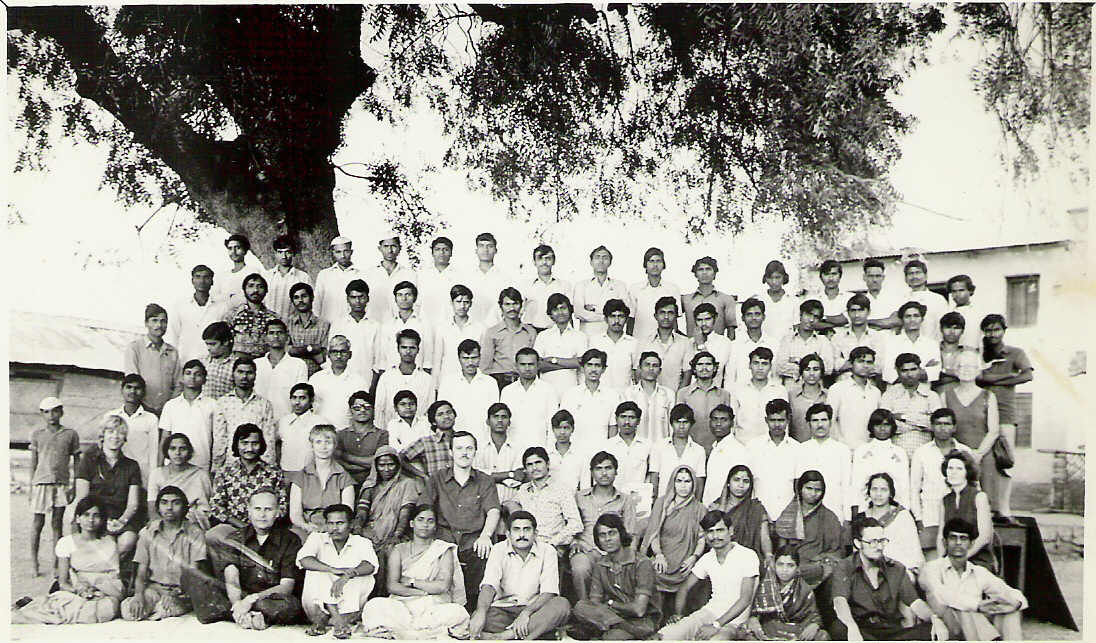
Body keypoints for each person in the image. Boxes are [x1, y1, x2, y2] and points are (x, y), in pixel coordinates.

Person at [359, 504, 471, 639]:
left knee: (458, 612)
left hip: (432, 605)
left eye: (430, 521)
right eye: (420, 520)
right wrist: (422, 592)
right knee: (374, 605)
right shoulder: (399, 550)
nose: (425, 525)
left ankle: (402, 633)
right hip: (402, 605)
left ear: (435, 526)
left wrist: (411, 581)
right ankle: (424, 633)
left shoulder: (443, 550)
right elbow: (392, 586)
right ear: (412, 523)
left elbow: (443, 586)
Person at [198, 488, 305, 629]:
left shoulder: (290, 540)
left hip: (269, 599)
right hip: (241, 596)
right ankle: (248, 616)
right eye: (257, 509)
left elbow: (286, 586)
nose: (262, 515)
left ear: (277, 512)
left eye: (268, 509)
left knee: (290, 606)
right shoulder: (235, 538)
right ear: (249, 510)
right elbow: (232, 579)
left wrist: (251, 601)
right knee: (199, 586)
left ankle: (241, 615)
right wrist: (237, 604)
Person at [830, 517, 947, 641]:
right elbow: (839, 602)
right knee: (839, 628)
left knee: (932, 629)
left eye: (882, 541)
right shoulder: (845, 567)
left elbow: (915, 603)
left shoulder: (896, 568)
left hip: (891, 632)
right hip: (861, 631)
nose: (879, 547)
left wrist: (934, 619)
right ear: (858, 543)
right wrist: (851, 627)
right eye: (873, 542)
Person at [421, 431, 502, 611]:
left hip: (474, 541)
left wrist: (485, 536)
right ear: (451, 452)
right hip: (443, 540)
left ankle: (475, 613)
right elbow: (425, 508)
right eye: (459, 448)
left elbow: (493, 510)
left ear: (475, 452)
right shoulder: (437, 479)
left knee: (484, 559)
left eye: (469, 448)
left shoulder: (485, 480)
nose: (464, 453)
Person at [13, 497, 123, 624]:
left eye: (96, 515)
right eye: (86, 515)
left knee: (107, 608)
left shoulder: (109, 543)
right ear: (77, 518)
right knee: (62, 604)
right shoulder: (67, 543)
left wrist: (99, 589)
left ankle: (68, 614)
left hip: (105, 593)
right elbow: (63, 583)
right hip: (77, 591)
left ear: (102, 519)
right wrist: (80, 590)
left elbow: (115, 578)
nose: (91, 520)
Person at [468, 510, 572, 639]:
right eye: (516, 530)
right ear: (508, 534)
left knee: (561, 605)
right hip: (503, 611)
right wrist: (481, 613)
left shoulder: (548, 551)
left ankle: (504, 636)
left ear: (535, 533)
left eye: (527, 529)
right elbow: (489, 585)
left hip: (535, 610)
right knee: (480, 617)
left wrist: (526, 613)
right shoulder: (498, 549)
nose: (522, 535)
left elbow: (549, 591)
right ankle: (535, 632)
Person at [658, 509, 760, 641]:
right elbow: (684, 588)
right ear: (705, 535)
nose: (715, 536)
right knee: (666, 635)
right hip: (709, 613)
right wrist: (678, 614)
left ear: (730, 531)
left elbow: (745, 599)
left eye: (720, 530)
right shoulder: (708, 558)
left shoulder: (747, 555)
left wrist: (716, 625)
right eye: (710, 531)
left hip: (735, 622)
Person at [921, 517, 1027, 641]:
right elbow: (941, 595)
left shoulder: (978, 572)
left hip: (976, 627)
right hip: (945, 626)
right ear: (945, 542)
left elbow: (1012, 592)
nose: (958, 543)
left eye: (963, 538)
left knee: (1011, 612)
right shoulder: (932, 568)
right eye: (953, 538)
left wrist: (1015, 603)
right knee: (964, 610)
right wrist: (977, 605)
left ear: (971, 544)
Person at [121, 486, 207, 620]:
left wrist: (175, 595)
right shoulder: (148, 533)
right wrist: (138, 596)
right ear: (158, 507)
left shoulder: (195, 533)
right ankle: (156, 608)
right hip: (155, 588)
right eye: (164, 503)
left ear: (184, 507)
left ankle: (167, 609)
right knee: (130, 611)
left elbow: (194, 574)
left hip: (182, 592)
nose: (169, 508)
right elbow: (141, 572)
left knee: (165, 609)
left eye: (176, 503)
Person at [569, 513, 660, 640]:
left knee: (611, 638)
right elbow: (595, 603)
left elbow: (639, 610)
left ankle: (603, 629)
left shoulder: (641, 563)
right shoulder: (600, 564)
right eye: (602, 535)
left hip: (642, 620)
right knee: (580, 606)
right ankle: (622, 628)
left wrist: (611, 604)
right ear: (598, 540)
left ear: (621, 534)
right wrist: (608, 610)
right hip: (614, 617)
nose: (607, 539)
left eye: (612, 533)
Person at [977, 313, 1032, 523]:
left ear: (1004, 330)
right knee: (981, 460)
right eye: (988, 330)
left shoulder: (1015, 353)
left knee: (1005, 461)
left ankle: (1004, 510)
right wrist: (1008, 377)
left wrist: (993, 380)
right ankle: (984, 509)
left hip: (1004, 414)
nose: (993, 334)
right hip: (979, 413)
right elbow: (977, 377)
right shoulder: (979, 355)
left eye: (996, 329)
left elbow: (1027, 375)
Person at [296, 503, 378, 638]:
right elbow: (304, 560)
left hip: (349, 609)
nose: (334, 528)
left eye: (340, 523)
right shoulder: (317, 538)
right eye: (330, 523)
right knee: (317, 571)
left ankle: (330, 620)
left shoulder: (362, 542)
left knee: (364, 576)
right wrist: (333, 570)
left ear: (351, 524)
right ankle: (338, 621)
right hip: (316, 608)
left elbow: (370, 565)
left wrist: (347, 575)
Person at [206, 424, 289, 557]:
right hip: (234, 527)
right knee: (212, 536)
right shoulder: (225, 472)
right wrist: (242, 527)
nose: (249, 448)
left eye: (254, 443)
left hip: (266, 527)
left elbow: (282, 506)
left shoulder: (273, 472)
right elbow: (216, 506)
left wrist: (261, 525)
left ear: (261, 445)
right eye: (244, 443)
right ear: (236, 445)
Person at [571, 451, 640, 601]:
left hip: (614, 552)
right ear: (592, 473)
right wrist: (574, 542)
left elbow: (631, 534)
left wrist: (628, 557)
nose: (604, 473)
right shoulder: (579, 497)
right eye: (599, 468)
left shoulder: (625, 500)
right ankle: (585, 606)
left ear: (616, 472)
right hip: (586, 550)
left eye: (608, 468)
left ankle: (612, 608)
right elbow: (570, 525)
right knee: (580, 567)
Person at [71, 414, 144, 557]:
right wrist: (98, 520)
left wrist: (121, 521)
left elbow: (133, 504)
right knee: (104, 542)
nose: (115, 436)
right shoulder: (89, 460)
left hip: (120, 517)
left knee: (128, 540)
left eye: (120, 433)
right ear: (103, 435)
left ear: (125, 438)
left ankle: (106, 565)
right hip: (95, 516)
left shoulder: (132, 465)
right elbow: (82, 498)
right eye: (110, 431)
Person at [639, 464, 707, 614]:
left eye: (687, 481)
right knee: (651, 574)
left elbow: (701, 538)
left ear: (693, 484)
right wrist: (659, 555)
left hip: (685, 562)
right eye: (679, 481)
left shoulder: (700, 509)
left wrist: (694, 558)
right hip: (663, 559)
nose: (683, 486)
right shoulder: (662, 504)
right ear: (673, 482)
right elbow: (654, 534)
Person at [944, 349, 1004, 518]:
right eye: (961, 366)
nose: (966, 370)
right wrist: (960, 455)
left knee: (983, 507)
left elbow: (994, 431)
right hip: (955, 456)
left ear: (978, 370)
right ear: (956, 370)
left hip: (982, 455)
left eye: (971, 366)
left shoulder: (988, 396)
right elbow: (943, 428)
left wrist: (978, 454)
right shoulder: (945, 396)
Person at [29, 396, 81, 578]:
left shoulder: (70, 434)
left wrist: (74, 484)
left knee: (57, 524)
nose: (51, 416)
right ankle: (34, 563)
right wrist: (31, 486)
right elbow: (33, 462)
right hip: (41, 483)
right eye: (46, 412)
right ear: (42, 414)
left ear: (61, 412)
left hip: (61, 484)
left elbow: (77, 460)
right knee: (38, 523)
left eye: (55, 411)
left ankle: (56, 565)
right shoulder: (37, 434)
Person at [910, 409, 975, 550]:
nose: (942, 427)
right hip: (930, 517)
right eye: (938, 424)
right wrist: (918, 518)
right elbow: (914, 489)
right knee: (932, 558)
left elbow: (974, 486)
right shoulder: (921, 452)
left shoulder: (965, 451)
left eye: (947, 424)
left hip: (960, 516)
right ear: (932, 427)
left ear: (954, 427)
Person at [772, 470, 845, 588]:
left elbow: (836, 552)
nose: (813, 493)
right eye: (809, 488)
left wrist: (820, 560)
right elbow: (782, 549)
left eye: (817, 490)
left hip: (815, 566)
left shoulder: (829, 517)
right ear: (800, 489)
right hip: (790, 563)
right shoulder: (789, 514)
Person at [744, 546, 828, 641]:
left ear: (797, 568)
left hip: (797, 630)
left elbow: (814, 615)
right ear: (774, 565)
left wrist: (814, 625)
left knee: (822, 636)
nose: (784, 569)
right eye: (780, 564)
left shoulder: (804, 590)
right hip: (769, 630)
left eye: (790, 565)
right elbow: (755, 612)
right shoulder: (765, 586)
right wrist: (753, 619)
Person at [288, 425, 356, 541]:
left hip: (335, 528)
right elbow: (295, 514)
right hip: (306, 528)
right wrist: (306, 526)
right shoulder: (301, 476)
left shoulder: (344, 477)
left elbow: (347, 512)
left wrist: (329, 528)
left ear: (335, 445)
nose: (323, 447)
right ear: (312, 445)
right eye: (318, 442)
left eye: (328, 442)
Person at [509, 446, 584, 552]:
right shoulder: (523, 490)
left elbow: (576, 524)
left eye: (538, 462)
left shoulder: (562, 489)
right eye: (529, 464)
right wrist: (512, 507)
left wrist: (554, 543)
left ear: (548, 464)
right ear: (525, 469)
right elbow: (509, 503)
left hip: (553, 546)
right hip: (526, 545)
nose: (534, 468)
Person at [353, 446, 422, 557]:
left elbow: (405, 514)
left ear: (398, 465)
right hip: (370, 532)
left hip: (396, 534)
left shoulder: (407, 484)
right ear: (375, 466)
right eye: (382, 465)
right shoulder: (370, 485)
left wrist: (396, 535)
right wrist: (357, 528)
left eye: (391, 464)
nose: (386, 469)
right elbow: (362, 512)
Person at [211, 357, 277, 472]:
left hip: (258, 465)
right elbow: (220, 438)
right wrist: (217, 467)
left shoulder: (264, 404)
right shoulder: (223, 403)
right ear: (233, 374)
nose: (244, 377)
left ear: (255, 375)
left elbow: (269, 437)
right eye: (240, 372)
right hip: (231, 464)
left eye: (249, 373)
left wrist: (268, 467)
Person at [855, 473, 924, 581]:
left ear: (891, 493)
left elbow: (913, 552)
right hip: (869, 571)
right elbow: (858, 551)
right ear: (868, 492)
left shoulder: (903, 516)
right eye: (874, 489)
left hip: (899, 569)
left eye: (883, 490)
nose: (878, 494)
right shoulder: (862, 518)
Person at [937, 449, 996, 572]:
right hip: (951, 560)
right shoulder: (945, 500)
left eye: (959, 469)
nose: (953, 472)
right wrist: (941, 562)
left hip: (978, 559)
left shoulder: (979, 497)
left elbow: (984, 537)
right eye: (950, 468)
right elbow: (941, 537)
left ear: (967, 472)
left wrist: (961, 559)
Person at [746, 399, 803, 520]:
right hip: (758, 513)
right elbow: (747, 482)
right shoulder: (753, 446)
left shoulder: (797, 448)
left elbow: (798, 486)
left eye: (781, 420)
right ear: (766, 420)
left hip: (788, 515)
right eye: (773, 420)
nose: (777, 425)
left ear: (788, 420)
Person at [796, 403, 853, 521]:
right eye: (815, 420)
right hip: (807, 514)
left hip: (835, 511)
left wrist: (847, 518)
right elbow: (798, 486)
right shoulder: (800, 450)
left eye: (824, 420)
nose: (820, 425)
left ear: (830, 422)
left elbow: (847, 487)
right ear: (808, 424)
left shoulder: (842, 450)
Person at [437, 338, 499, 446]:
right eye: (465, 358)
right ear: (459, 359)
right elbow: (442, 414)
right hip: (455, 441)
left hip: (483, 440)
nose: (470, 362)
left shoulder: (490, 383)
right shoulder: (447, 382)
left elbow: (494, 415)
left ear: (480, 357)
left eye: (474, 358)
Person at [123, 302, 181, 414]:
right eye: (154, 320)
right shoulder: (135, 348)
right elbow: (132, 381)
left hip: (166, 411)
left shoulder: (172, 352)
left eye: (163, 321)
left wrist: (169, 408)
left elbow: (178, 384)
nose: (159, 325)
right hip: (141, 408)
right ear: (146, 323)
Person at [850, 409, 910, 516]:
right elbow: (856, 485)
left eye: (886, 425)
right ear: (871, 427)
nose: (882, 428)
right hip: (866, 508)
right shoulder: (861, 451)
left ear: (892, 427)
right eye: (878, 424)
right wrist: (856, 513)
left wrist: (904, 512)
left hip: (893, 511)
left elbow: (904, 487)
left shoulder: (900, 453)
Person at [882, 352, 942, 459]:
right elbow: (885, 425)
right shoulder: (889, 395)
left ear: (920, 369)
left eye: (913, 369)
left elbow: (936, 425)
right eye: (904, 370)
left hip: (925, 453)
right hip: (895, 454)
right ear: (897, 371)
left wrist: (903, 417)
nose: (909, 374)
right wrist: (921, 423)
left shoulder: (931, 396)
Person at [158, 359, 216, 471]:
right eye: (188, 373)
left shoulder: (212, 405)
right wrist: (160, 467)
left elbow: (216, 439)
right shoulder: (171, 405)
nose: (192, 377)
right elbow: (165, 438)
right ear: (182, 378)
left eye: (197, 374)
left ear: (204, 379)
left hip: (201, 464)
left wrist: (214, 468)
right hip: (174, 465)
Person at [148, 433, 213, 530]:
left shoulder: (200, 475)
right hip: (164, 522)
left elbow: (204, 508)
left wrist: (186, 520)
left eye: (182, 449)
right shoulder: (156, 474)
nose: (177, 453)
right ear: (166, 451)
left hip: (192, 522)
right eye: (173, 448)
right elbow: (152, 507)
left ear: (189, 451)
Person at [500, 347, 560, 450]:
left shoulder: (548, 390)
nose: (527, 368)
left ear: (538, 365)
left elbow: (553, 424)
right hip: (512, 449)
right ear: (516, 366)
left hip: (539, 448)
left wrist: (550, 449)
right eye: (523, 364)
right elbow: (503, 423)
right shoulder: (507, 391)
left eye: (531, 364)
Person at [708, 464, 772, 560]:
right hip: (721, 558)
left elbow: (765, 537)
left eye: (745, 481)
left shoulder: (756, 508)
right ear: (728, 483)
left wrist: (768, 555)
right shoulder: (716, 507)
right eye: (736, 480)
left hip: (748, 559)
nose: (741, 485)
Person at [375, 330, 436, 428]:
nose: (408, 352)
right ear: (398, 349)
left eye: (412, 348)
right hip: (391, 432)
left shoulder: (427, 379)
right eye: (404, 347)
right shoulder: (386, 378)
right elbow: (379, 410)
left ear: (418, 350)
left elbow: (430, 410)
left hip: (420, 432)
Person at [480, 287, 539, 391]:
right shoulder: (492, 332)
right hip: (499, 381)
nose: (512, 308)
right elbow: (485, 366)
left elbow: (535, 362)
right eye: (507, 304)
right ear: (500, 306)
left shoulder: (530, 332)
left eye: (515, 303)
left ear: (521, 305)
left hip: (524, 381)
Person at [168, 264, 229, 363]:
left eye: (206, 277)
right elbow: (173, 335)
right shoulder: (180, 306)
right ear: (192, 281)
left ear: (212, 281)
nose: (202, 281)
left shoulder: (222, 307)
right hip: (185, 360)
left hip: (212, 362)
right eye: (198, 277)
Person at [560, 348, 622, 444]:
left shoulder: (612, 395)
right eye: (589, 365)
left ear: (604, 369)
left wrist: (609, 449)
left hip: (602, 449)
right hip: (576, 449)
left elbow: (613, 427)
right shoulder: (570, 394)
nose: (593, 369)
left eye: (597, 365)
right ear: (582, 368)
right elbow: (563, 425)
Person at [309, 335, 371, 430]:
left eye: (343, 352)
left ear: (350, 355)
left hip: (347, 433)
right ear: (328, 355)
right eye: (334, 352)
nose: (338, 356)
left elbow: (362, 414)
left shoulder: (359, 381)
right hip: (320, 433)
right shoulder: (316, 379)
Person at [603, 404, 657, 513]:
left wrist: (651, 497)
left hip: (639, 501)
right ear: (616, 419)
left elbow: (653, 475)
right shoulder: (607, 446)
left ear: (638, 421)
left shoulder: (648, 445)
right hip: (613, 500)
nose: (627, 422)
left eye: (631, 417)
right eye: (623, 417)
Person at [254, 318, 310, 420]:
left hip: (286, 421)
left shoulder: (298, 365)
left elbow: (301, 397)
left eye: (279, 333)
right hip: (257, 421)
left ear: (287, 337)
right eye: (271, 333)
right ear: (265, 338)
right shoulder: (256, 364)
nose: (276, 336)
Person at [827, 346, 882, 450]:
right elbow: (830, 421)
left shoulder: (875, 392)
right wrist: (838, 446)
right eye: (860, 361)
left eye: (869, 362)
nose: (865, 365)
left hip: (870, 450)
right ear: (851, 364)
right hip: (844, 449)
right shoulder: (837, 389)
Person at [677, 351, 734, 451]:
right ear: (694, 369)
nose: (704, 368)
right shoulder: (683, 394)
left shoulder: (724, 394)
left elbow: (727, 425)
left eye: (708, 364)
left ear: (715, 368)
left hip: (717, 448)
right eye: (700, 364)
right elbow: (679, 423)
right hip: (691, 448)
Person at [534, 292, 588, 396]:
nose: (560, 312)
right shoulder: (543, 336)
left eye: (563, 308)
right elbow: (538, 365)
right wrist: (570, 363)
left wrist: (553, 360)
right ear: (550, 314)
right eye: (555, 309)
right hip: (546, 390)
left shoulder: (580, 336)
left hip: (572, 390)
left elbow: (581, 363)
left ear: (570, 310)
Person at [109, 373, 159, 485]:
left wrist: (152, 481)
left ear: (143, 392)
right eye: (129, 387)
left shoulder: (151, 419)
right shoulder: (111, 416)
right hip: (115, 474)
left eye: (137, 388)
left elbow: (154, 452)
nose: (132, 391)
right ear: (122, 390)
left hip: (141, 475)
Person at [573, 245, 633, 338]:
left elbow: (625, 311)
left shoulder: (620, 286)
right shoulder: (581, 285)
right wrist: (607, 315)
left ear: (610, 262)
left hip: (613, 337)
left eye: (605, 258)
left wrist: (594, 310)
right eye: (597, 257)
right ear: (591, 262)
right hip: (588, 336)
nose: (601, 261)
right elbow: (578, 312)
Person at [731, 347, 788, 444]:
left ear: (770, 366)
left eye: (764, 364)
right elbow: (732, 421)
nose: (760, 368)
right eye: (756, 363)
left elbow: (785, 422)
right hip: (743, 443)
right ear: (749, 365)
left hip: (769, 445)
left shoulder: (779, 390)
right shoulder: (738, 389)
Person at [650, 404, 707, 499]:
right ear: (671, 423)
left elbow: (699, 481)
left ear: (691, 424)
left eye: (685, 422)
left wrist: (697, 504)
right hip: (663, 500)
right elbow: (654, 478)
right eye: (678, 422)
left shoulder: (699, 451)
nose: (681, 426)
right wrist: (655, 503)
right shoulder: (658, 447)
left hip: (688, 503)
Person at [378, 280, 436, 373]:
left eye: (408, 295)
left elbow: (428, 359)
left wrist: (424, 376)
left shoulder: (424, 324)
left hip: (417, 375)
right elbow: (382, 359)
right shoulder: (387, 325)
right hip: (392, 375)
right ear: (395, 299)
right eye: (400, 295)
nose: (404, 298)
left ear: (415, 298)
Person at [773, 299, 835, 385]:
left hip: (815, 389)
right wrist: (814, 367)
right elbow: (780, 367)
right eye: (808, 314)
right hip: (791, 388)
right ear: (800, 315)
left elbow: (828, 368)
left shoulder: (823, 341)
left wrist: (796, 361)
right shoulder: (787, 339)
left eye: (816, 317)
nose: (811, 320)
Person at [474, 402, 526, 503]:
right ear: (488, 421)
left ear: (509, 422)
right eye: (495, 416)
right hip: (483, 503)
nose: (500, 420)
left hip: (512, 501)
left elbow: (519, 476)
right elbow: (478, 476)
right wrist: (509, 474)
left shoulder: (519, 448)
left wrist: (494, 476)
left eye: (504, 417)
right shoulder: (478, 448)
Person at [335, 390, 388, 486]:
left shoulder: (382, 434)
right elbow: (336, 461)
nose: (362, 410)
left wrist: (346, 456)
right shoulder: (340, 434)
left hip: (374, 484)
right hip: (344, 484)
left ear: (373, 410)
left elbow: (380, 462)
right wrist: (367, 463)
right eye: (357, 408)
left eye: (367, 407)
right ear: (350, 411)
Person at [638, 295, 691, 390]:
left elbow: (687, 375)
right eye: (662, 313)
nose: (666, 317)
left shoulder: (685, 343)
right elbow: (638, 373)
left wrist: (678, 396)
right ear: (655, 316)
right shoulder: (644, 343)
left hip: (675, 395)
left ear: (676, 316)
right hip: (649, 396)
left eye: (670, 313)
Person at [435, 285, 488, 379]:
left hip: (472, 380)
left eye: (466, 302)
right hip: (447, 378)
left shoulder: (481, 328)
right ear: (451, 303)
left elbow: (483, 360)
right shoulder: (442, 328)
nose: (462, 306)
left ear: (471, 304)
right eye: (458, 302)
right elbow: (437, 360)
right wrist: (436, 383)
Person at [831, 293, 886, 384]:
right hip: (843, 383)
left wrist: (849, 364)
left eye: (861, 310)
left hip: (869, 384)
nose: (856, 315)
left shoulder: (877, 337)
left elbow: (879, 366)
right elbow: (834, 365)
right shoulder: (838, 337)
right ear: (848, 313)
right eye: (853, 311)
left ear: (869, 312)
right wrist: (865, 365)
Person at [882, 301, 942, 384]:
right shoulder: (891, 343)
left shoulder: (932, 344)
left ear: (922, 319)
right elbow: (888, 374)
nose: (912, 320)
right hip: (897, 390)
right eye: (908, 316)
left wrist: (903, 371)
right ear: (902, 320)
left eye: (916, 316)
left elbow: (936, 373)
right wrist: (923, 370)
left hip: (924, 390)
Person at [366, 231, 419, 324]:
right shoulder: (369, 274)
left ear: (400, 248)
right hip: (374, 323)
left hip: (400, 324)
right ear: (379, 248)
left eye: (393, 246)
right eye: (386, 246)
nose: (390, 250)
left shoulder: (409, 274)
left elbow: (417, 302)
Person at [702, 405, 750, 507]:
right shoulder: (715, 447)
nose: (718, 424)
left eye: (724, 420)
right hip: (710, 507)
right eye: (715, 419)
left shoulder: (738, 450)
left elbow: (741, 486)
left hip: (727, 509)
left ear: (732, 423)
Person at [314, 235, 368, 324]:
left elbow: (366, 301)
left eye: (346, 251)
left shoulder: (361, 274)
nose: (342, 255)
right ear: (333, 253)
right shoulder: (324, 275)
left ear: (351, 252)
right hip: (329, 324)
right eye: (338, 252)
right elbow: (317, 302)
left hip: (353, 324)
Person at [276, 382, 329, 473]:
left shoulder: (320, 422)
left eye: (302, 398)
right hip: (286, 472)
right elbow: (277, 444)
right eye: (294, 398)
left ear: (311, 400)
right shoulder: (283, 421)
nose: (297, 402)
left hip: (310, 474)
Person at [630, 246, 680, 342]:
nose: (655, 265)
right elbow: (630, 319)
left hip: (666, 342)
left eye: (658, 261)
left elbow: (674, 320)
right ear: (645, 265)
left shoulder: (672, 289)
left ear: (663, 265)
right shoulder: (635, 289)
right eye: (651, 261)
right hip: (640, 340)